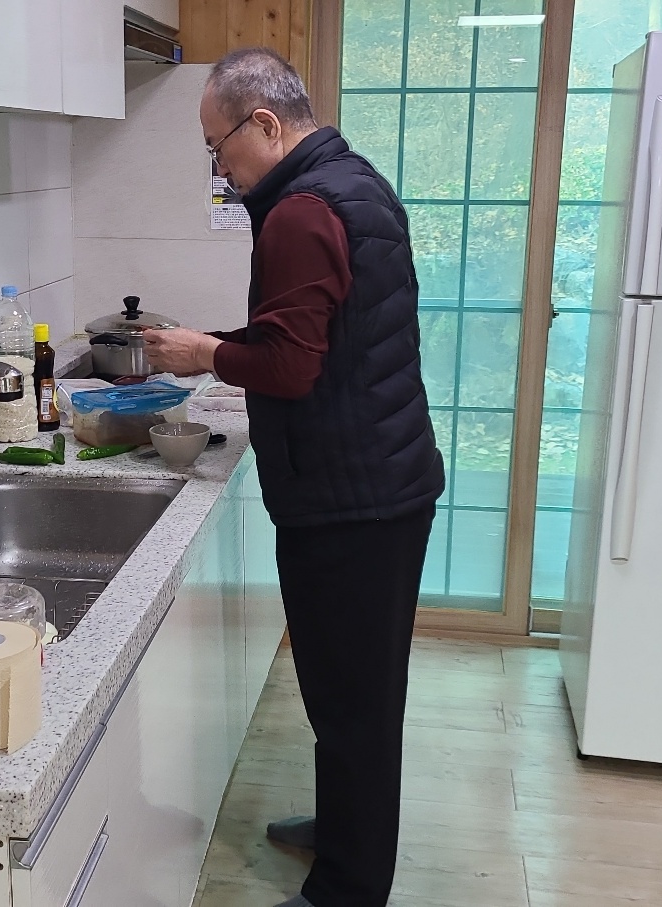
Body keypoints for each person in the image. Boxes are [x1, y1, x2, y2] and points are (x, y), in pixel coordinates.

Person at [144, 47, 444, 907]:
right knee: (351, 691)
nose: (220, 168)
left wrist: (205, 353)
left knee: (352, 700)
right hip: (376, 482)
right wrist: (225, 345)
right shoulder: (350, 181)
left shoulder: (300, 211)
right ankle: (344, 827)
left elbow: (289, 365)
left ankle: (349, 886)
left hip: (351, 500)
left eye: (218, 147)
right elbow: (321, 334)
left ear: (265, 123)